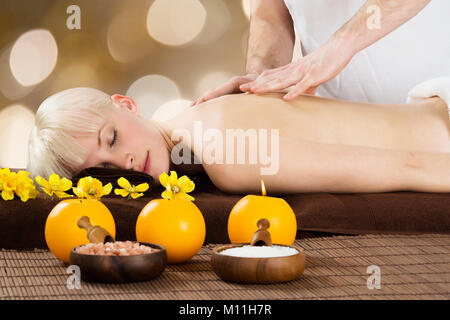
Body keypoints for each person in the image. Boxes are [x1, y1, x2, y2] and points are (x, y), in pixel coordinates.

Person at [28, 81, 450, 195]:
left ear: (127, 104)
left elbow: (406, 164)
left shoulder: (226, 160)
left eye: (112, 137)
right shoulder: (180, 115)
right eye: (101, 169)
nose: (124, 164)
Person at [193, 0, 450, 105]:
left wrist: (342, 43)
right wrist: (262, 77)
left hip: (438, 102)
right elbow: (270, 15)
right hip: (342, 120)